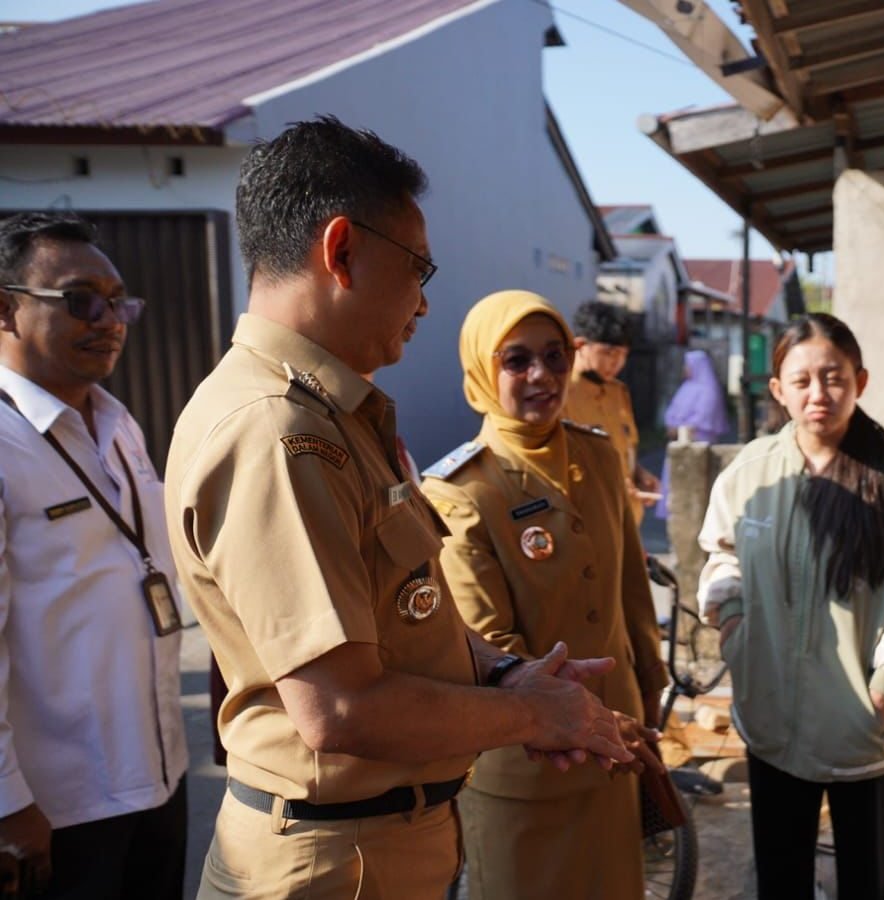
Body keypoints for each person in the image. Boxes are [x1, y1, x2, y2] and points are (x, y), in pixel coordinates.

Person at [164, 116, 632, 899]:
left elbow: (404, 621)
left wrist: (510, 674)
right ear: (341, 251)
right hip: (335, 863)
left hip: (375, 847)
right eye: (418, 267)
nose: (422, 300)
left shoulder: (336, 414)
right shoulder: (278, 432)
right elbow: (341, 709)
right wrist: (536, 718)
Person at [698, 313, 884, 900]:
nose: (819, 394)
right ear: (777, 389)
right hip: (772, 715)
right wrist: (734, 620)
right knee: (781, 875)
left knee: (864, 880)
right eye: (803, 380)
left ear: (860, 381)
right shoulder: (751, 473)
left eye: (834, 377)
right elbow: (722, 555)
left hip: (861, 720)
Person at [420, 289, 669, 898]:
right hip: (527, 761)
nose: (542, 376)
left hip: (616, 750)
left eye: (556, 357)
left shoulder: (599, 455)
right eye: (517, 360)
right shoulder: (460, 490)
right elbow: (492, 644)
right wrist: (598, 722)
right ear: (483, 368)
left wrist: (652, 687)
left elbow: (632, 591)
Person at [0, 213, 188, 899]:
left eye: (119, 302)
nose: (109, 319)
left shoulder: (117, 422)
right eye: (80, 300)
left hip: (159, 774)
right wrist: (6, 804)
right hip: (57, 807)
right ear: (5, 309)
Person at [564, 300, 660, 522]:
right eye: (609, 352)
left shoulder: (618, 392)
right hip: (585, 521)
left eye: (623, 353)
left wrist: (639, 475)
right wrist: (609, 485)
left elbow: (626, 449)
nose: (617, 362)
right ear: (580, 346)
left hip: (626, 519)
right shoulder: (558, 395)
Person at [655, 348, 730, 521]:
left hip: (697, 442)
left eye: (688, 365)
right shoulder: (687, 387)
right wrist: (671, 426)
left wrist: (681, 428)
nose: (685, 369)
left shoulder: (708, 390)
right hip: (678, 442)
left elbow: (703, 417)